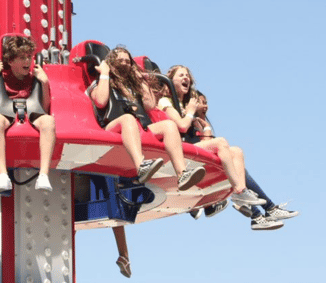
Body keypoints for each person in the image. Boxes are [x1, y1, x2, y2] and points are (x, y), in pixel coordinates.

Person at [90, 47, 205, 190]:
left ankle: (182, 174)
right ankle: (141, 166)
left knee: (169, 125)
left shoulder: (132, 86)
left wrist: (141, 81)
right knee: (128, 119)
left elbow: (150, 104)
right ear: (112, 63)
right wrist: (105, 73)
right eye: (120, 61)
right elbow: (100, 101)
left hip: (138, 127)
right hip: (113, 126)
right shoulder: (104, 81)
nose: (124, 64)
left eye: (127, 61)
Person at [157, 65, 266, 211]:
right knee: (221, 143)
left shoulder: (185, 104)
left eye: (187, 76)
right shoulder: (165, 101)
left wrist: (204, 127)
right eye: (181, 75)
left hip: (189, 147)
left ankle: (242, 193)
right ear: (171, 81)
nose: (185, 78)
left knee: (236, 151)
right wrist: (190, 112)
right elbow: (182, 126)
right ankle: (239, 191)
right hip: (175, 149)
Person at [192, 90, 299, 230]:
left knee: (238, 165)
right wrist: (203, 127)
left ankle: (258, 214)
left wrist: (206, 127)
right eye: (202, 102)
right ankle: (265, 210)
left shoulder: (201, 123)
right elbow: (202, 148)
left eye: (207, 103)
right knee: (234, 166)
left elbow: (207, 145)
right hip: (197, 163)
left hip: (206, 163)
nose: (206, 106)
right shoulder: (191, 122)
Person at [0, 35, 56, 193]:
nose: (28, 61)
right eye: (22, 58)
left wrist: (44, 83)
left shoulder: (34, 78)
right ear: (10, 61)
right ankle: (3, 175)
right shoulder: (1, 78)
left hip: (32, 111)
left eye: (29, 57)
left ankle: (44, 174)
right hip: (5, 111)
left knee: (49, 122)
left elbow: (43, 107)